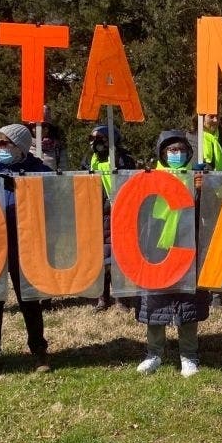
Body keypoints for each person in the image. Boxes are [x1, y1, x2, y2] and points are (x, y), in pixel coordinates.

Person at [0, 123, 51, 375]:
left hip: (24, 243)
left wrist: (21, 187)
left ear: (19, 147)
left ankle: (39, 351)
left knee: (29, 299)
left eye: (4, 143)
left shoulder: (38, 170)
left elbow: (51, 198)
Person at [135, 131, 210, 377]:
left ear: (189, 152)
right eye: (171, 150)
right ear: (162, 154)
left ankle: (189, 355)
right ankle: (154, 353)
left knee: (188, 301)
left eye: (180, 150)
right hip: (156, 245)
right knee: (155, 301)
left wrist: (203, 189)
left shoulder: (197, 176)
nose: (176, 154)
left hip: (187, 242)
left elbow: (209, 210)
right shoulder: (150, 177)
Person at [88, 123, 138, 311]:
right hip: (97, 214)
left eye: (99, 138)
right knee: (100, 256)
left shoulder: (122, 159)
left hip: (120, 213)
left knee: (120, 256)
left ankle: (121, 297)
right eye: (92, 139)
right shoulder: (90, 160)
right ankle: (102, 297)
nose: (95, 143)